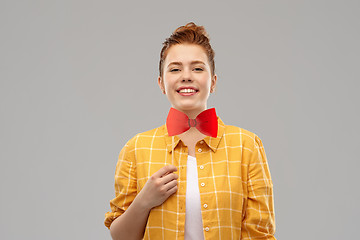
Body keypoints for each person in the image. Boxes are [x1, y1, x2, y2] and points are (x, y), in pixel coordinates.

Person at [104, 22, 276, 240]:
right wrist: (144, 201)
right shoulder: (136, 148)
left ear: (213, 82)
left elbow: (260, 235)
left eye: (197, 68)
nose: (186, 76)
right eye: (175, 69)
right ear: (161, 83)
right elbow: (121, 237)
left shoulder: (247, 146)